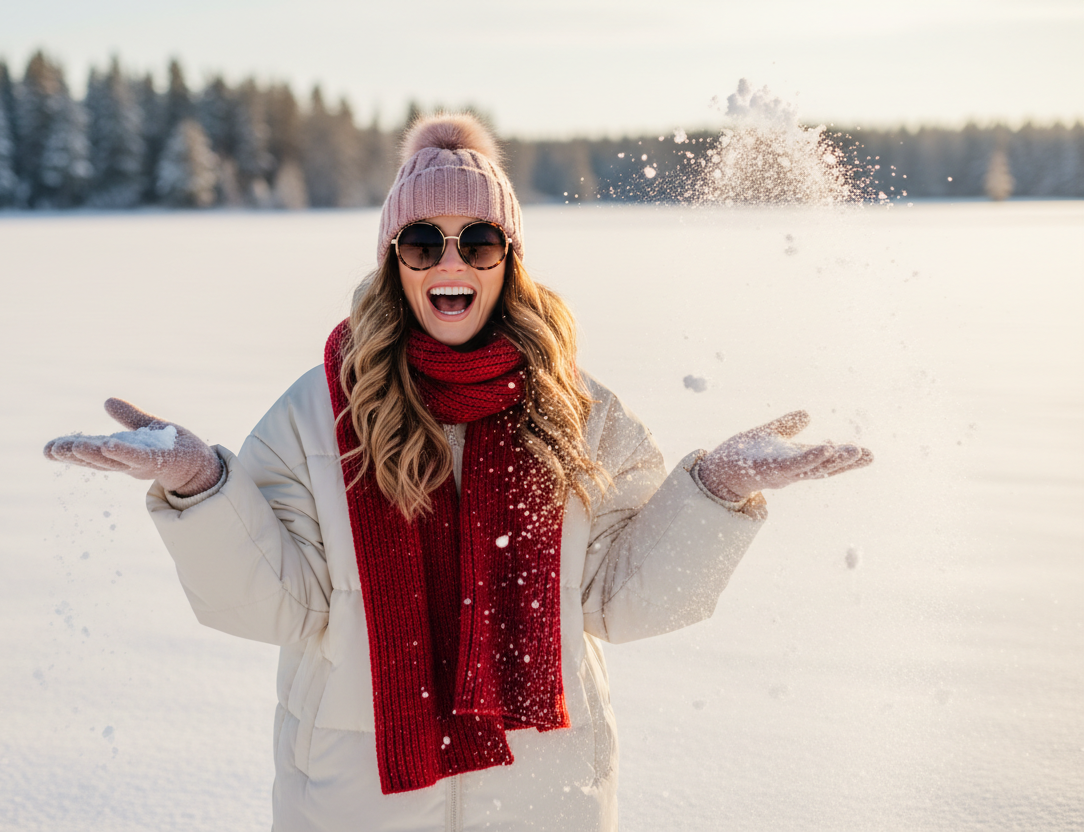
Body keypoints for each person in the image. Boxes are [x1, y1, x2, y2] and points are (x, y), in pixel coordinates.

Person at [43, 113, 873, 832]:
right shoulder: (315, 414)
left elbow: (621, 598)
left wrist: (713, 493)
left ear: (509, 257)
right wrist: (203, 487)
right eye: (421, 240)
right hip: (353, 797)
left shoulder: (578, 412)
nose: (452, 260)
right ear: (393, 259)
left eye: (478, 241)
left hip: (543, 794)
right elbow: (278, 604)